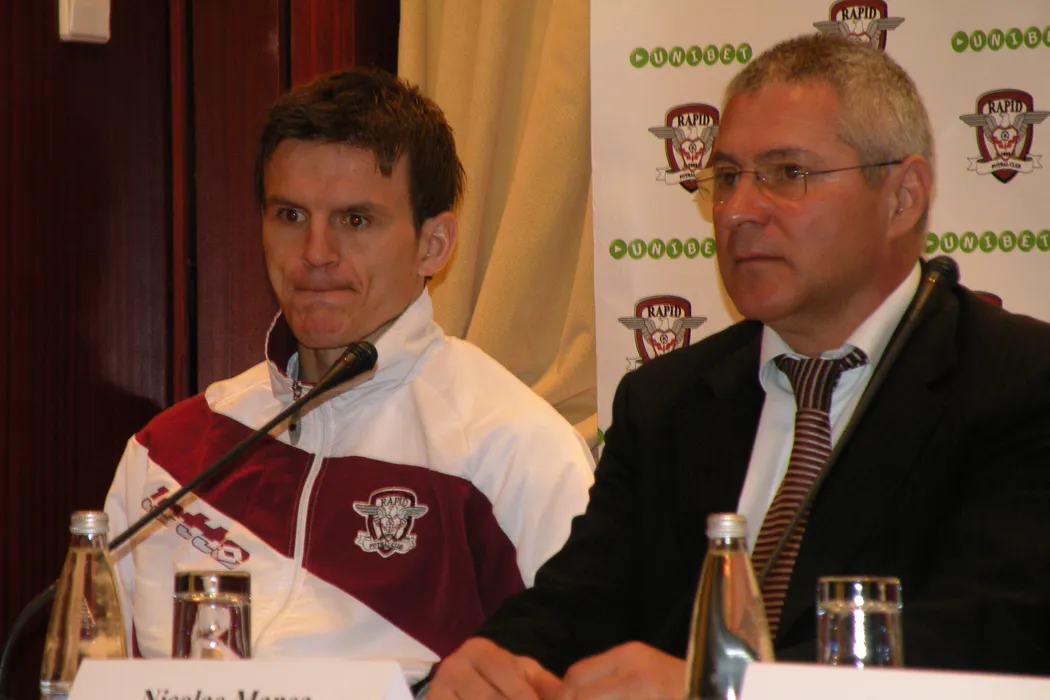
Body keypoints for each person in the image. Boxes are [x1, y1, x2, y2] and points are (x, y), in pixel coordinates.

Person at [429, 33, 1050, 699]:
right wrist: (487, 662)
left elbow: (989, 636)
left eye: (788, 174)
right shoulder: (665, 402)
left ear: (903, 197)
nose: (738, 212)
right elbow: (579, 604)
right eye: (726, 178)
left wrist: (722, 689)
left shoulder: (1019, 382)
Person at [103, 68, 595, 687]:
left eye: (355, 220)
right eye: (290, 215)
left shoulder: (518, 450)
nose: (315, 253)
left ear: (434, 244)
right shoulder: (169, 453)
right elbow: (90, 674)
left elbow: (583, 679)